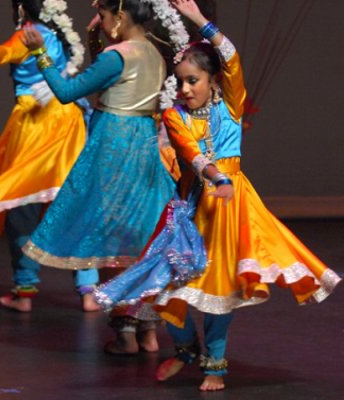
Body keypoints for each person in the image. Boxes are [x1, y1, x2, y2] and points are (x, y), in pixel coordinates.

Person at [94, 0, 342, 391]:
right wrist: (213, 176)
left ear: (212, 80)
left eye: (193, 80)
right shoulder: (175, 115)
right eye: (180, 81)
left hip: (230, 208)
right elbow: (190, 154)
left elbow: (231, 57)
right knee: (164, 284)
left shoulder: (231, 106)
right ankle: (187, 347)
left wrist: (198, 20)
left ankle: (214, 366)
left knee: (220, 288)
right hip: (191, 208)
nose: (185, 88)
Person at [21, 0, 176, 345]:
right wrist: (94, 38)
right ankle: (148, 329)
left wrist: (40, 53)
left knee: (111, 235)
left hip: (114, 146)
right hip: (144, 143)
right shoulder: (152, 53)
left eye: (104, 17)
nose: (102, 23)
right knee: (139, 235)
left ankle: (125, 335)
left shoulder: (116, 57)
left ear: (119, 17)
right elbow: (109, 76)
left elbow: (65, 92)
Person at [0, 0, 90, 312]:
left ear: (21, 11)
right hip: (70, 122)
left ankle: (25, 288)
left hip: (36, 125)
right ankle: (88, 289)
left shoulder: (29, 34)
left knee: (21, 205)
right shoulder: (62, 39)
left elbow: (4, 53)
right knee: (71, 206)